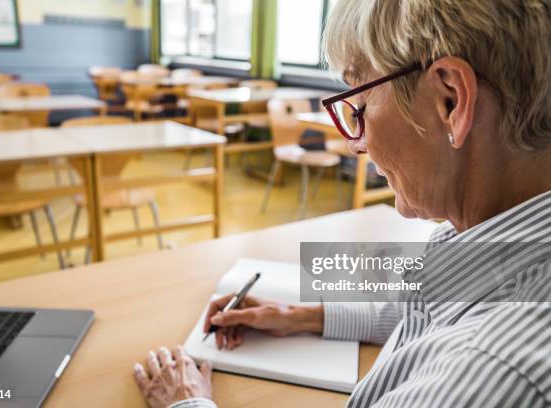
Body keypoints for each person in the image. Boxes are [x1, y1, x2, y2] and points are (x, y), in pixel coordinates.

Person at [133, 0, 551, 406]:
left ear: (451, 100)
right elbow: (430, 306)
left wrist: (187, 402)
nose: (356, 143)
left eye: (361, 106)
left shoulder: (489, 371)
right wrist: (298, 314)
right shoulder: (502, 246)